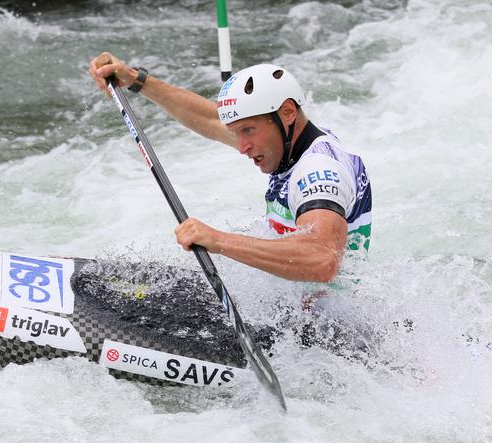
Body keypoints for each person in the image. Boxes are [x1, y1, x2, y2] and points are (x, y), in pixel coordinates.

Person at [89, 52, 371, 284]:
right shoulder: (281, 142)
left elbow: (322, 259)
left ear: (287, 112)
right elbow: (208, 119)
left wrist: (218, 240)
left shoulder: (320, 170)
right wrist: (137, 81)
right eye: (238, 132)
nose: (242, 146)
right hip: (291, 315)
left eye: (248, 130)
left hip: (325, 335)